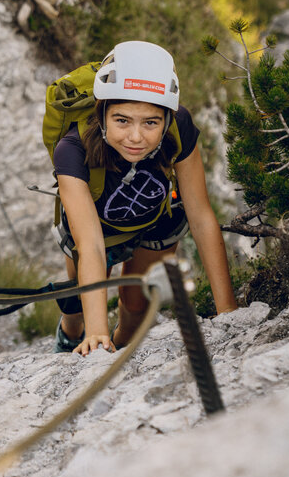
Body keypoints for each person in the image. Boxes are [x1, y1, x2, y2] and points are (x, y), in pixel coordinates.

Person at [52, 41, 237, 356]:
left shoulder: (180, 128)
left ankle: (122, 344)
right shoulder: (72, 150)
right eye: (122, 120)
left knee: (136, 307)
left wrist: (228, 311)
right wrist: (95, 334)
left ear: (167, 119)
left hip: (154, 221)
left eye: (150, 122)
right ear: (102, 114)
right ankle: (71, 330)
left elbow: (201, 216)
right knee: (75, 299)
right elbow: (92, 245)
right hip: (94, 224)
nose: (136, 137)